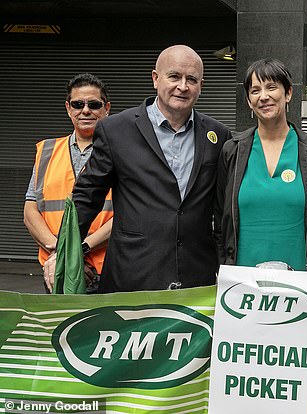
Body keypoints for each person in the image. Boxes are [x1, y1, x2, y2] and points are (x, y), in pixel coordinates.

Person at [73, 45, 231, 292]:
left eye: (192, 79)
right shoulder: (116, 130)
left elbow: (223, 211)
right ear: (155, 79)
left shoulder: (218, 135)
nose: (183, 86)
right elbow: (86, 197)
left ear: (201, 84)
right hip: (132, 276)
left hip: (196, 280)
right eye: (174, 76)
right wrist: (64, 254)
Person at [218, 59, 307, 271]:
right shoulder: (232, 151)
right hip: (241, 285)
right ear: (249, 100)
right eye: (255, 90)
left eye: (271, 87)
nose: (264, 96)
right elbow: (219, 221)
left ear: (288, 94)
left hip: (303, 286)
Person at [24, 73, 113, 293]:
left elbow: (125, 214)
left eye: (94, 104)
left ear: (106, 108)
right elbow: (30, 211)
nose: (85, 110)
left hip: (105, 270)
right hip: (55, 269)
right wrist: (60, 253)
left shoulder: (121, 153)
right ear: (68, 108)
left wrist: (78, 250)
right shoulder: (46, 151)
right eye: (77, 104)